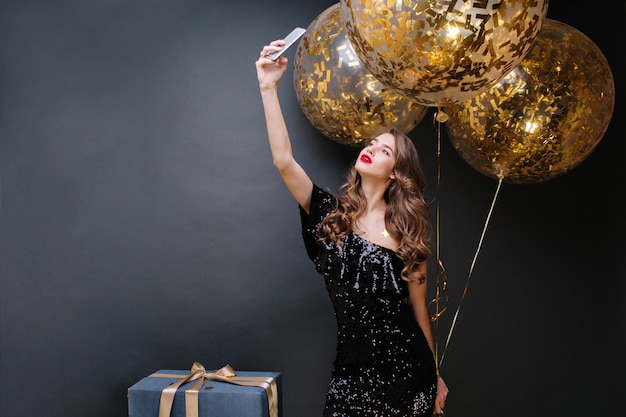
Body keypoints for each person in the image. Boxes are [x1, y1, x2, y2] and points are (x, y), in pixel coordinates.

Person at [255, 39, 449, 416]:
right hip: (351, 379)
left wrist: (436, 376)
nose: (372, 149)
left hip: (410, 379)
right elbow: (283, 161)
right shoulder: (331, 216)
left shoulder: (409, 242)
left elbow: (419, 313)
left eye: (384, 150)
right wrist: (267, 86)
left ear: (395, 173)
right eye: (373, 143)